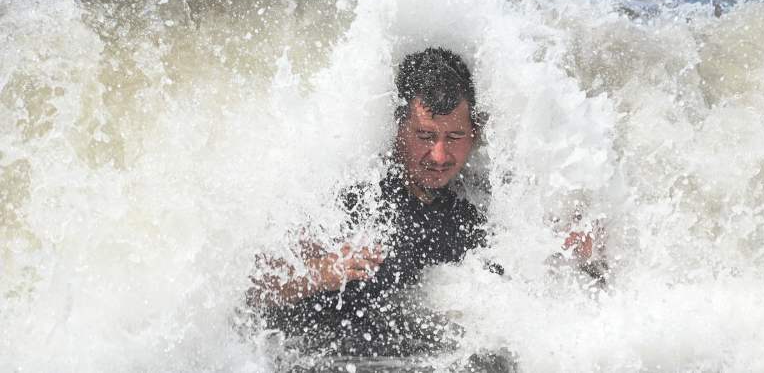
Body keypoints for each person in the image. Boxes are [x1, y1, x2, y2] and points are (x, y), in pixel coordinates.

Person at [245, 47, 599, 359]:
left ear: (474, 133)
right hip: (318, 356)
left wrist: (566, 249)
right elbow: (254, 286)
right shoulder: (356, 198)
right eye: (425, 136)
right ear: (398, 127)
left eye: (455, 136)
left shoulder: (478, 204)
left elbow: (520, 271)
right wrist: (319, 273)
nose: (440, 154)